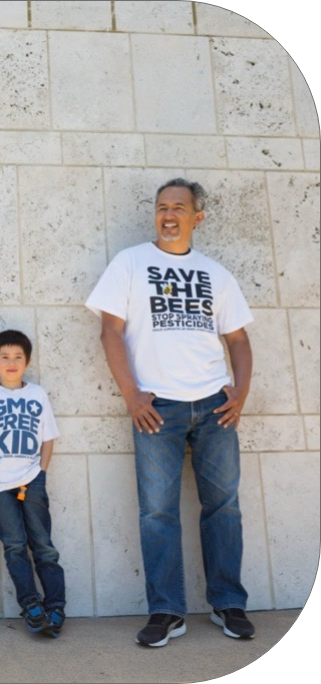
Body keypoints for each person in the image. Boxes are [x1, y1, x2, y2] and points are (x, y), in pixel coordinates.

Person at [86, 178, 255, 647]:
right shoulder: (130, 263)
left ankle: (228, 603)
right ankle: (166, 610)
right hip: (156, 407)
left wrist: (241, 392)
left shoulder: (216, 274)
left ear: (197, 217)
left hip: (215, 406)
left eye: (179, 207)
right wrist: (132, 395)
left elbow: (239, 339)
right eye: (162, 206)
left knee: (223, 506)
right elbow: (110, 331)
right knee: (157, 512)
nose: (168, 214)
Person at [0, 330, 65, 638]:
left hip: (32, 480)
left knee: (43, 545)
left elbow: (48, 439)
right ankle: (31, 605)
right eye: (5, 357)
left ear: (27, 362)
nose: (11, 362)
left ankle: (55, 606)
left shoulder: (37, 394)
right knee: (15, 546)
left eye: (18, 357)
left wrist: (41, 473)